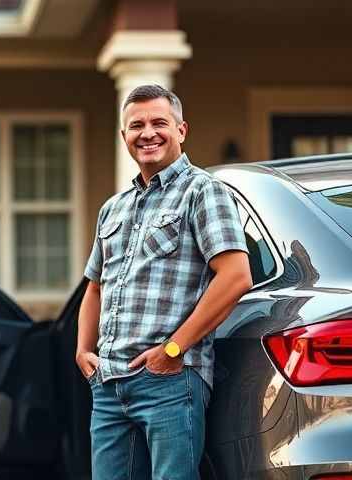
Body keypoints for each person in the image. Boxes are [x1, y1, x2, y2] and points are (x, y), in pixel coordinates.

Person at [75, 84, 253, 480]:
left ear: (181, 130)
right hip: (108, 385)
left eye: (160, 123)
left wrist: (172, 349)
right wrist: (83, 351)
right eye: (136, 125)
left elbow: (236, 276)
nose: (148, 133)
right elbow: (95, 286)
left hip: (169, 382)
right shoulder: (113, 208)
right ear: (124, 137)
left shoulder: (203, 191)